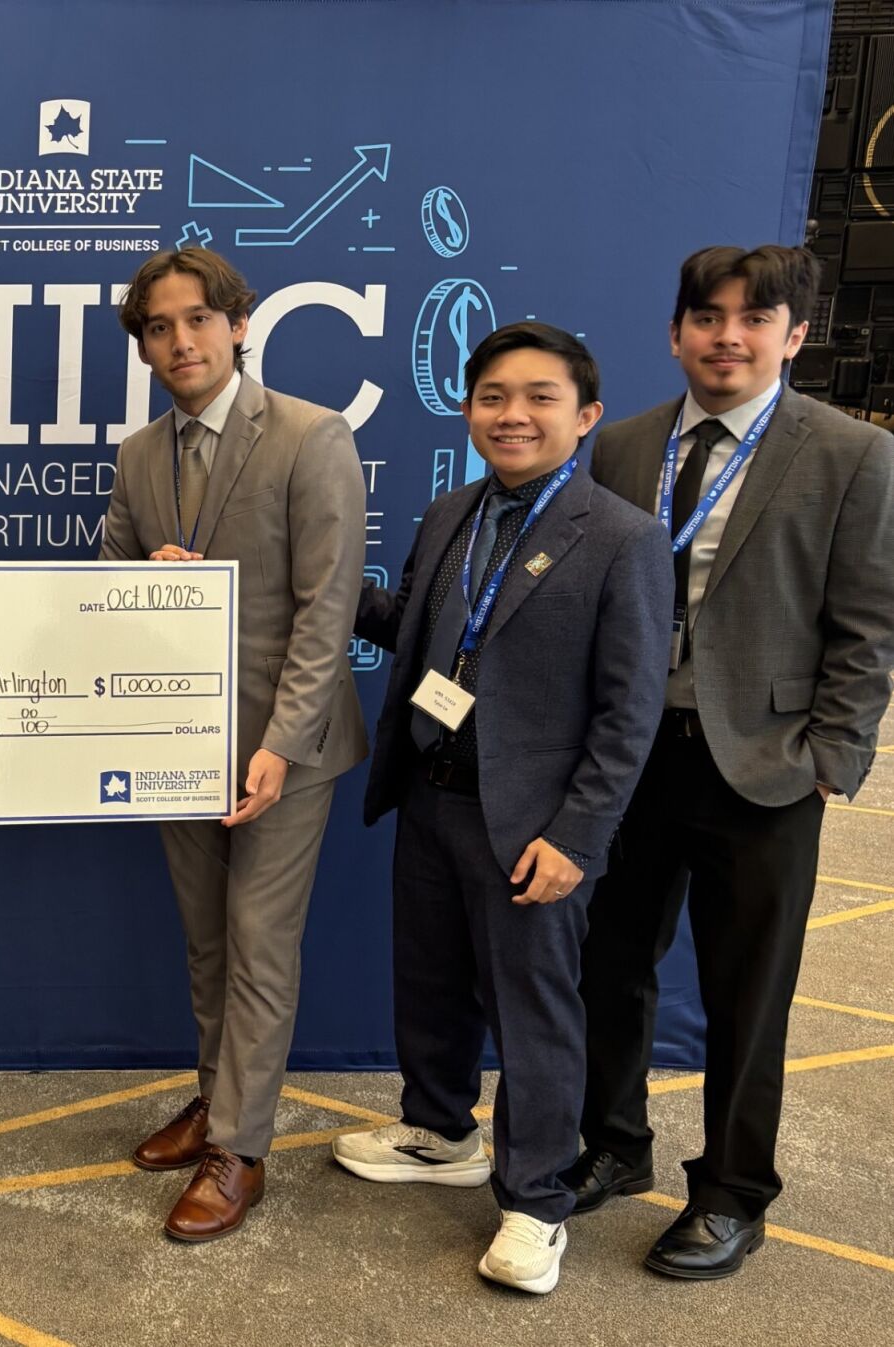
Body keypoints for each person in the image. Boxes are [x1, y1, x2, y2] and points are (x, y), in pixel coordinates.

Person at [567, 245, 894, 1279]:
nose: (725, 337)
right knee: (607, 969)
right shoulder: (621, 447)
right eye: (705, 317)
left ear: (792, 337)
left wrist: (831, 755)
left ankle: (731, 1192)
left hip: (761, 764)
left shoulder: (847, 453)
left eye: (753, 319)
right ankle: (613, 1149)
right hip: (626, 757)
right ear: (673, 332)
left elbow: (866, 621)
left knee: (745, 991)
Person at [332, 323, 672, 1294]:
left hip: (532, 825)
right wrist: (320, 583)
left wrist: (576, 837)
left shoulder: (620, 538)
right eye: (490, 396)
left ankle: (534, 1202)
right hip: (432, 796)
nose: (511, 414)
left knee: (532, 1017)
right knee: (429, 981)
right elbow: (415, 631)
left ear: (585, 416)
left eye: (537, 397)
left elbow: (627, 710)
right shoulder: (450, 514)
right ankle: (440, 1129)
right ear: (467, 407)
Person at [99, 248, 368, 1242]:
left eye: (197, 320)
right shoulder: (137, 456)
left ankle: (240, 1150)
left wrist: (280, 746)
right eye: (159, 328)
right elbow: (106, 588)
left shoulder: (308, 436)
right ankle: (219, 1099)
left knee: (259, 944)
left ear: (238, 325)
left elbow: (324, 609)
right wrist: (148, 582)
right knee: (208, 940)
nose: (180, 341)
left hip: (282, 751)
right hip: (179, 743)